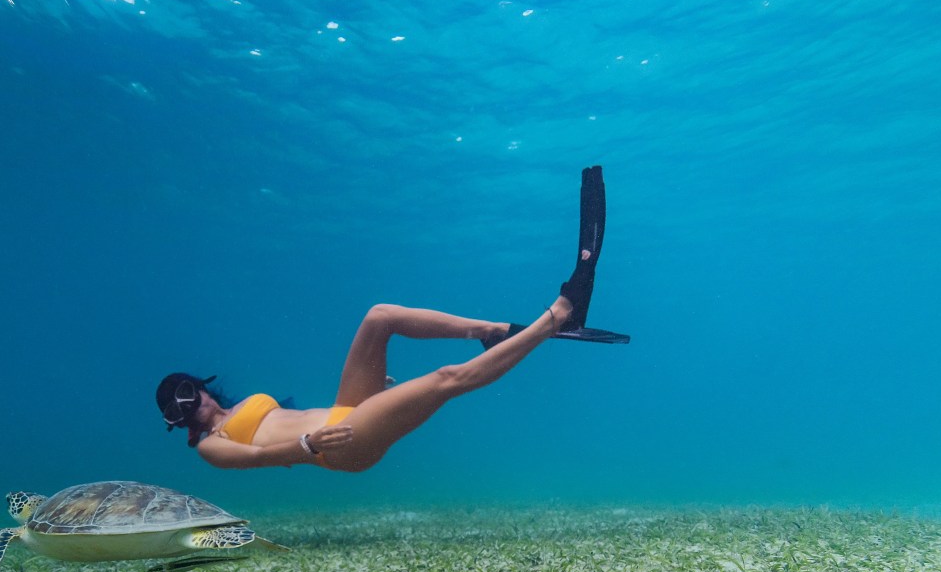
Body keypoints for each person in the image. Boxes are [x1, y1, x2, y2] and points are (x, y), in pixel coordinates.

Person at [156, 166, 627, 474]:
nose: (187, 404)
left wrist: (373, 394)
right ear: (176, 422)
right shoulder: (210, 446)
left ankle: (495, 331)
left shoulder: (236, 409)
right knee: (447, 378)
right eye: (177, 409)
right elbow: (259, 455)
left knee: (378, 316)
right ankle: (557, 317)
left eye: (185, 391)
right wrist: (307, 444)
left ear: (198, 385)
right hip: (338, 446)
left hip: (345, 412)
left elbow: (296, 414)